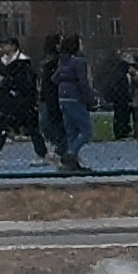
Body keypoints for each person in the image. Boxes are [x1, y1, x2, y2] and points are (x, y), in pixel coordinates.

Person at [47, 35, 95, 174]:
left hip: (62, 98)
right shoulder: (79, 62)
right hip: (75, 98)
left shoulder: (63, 62)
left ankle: (72, 163)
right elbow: (83, 82)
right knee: (86, 130)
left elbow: (54, 78)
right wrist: (91, 98)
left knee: (71, 131)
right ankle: (71, 154)